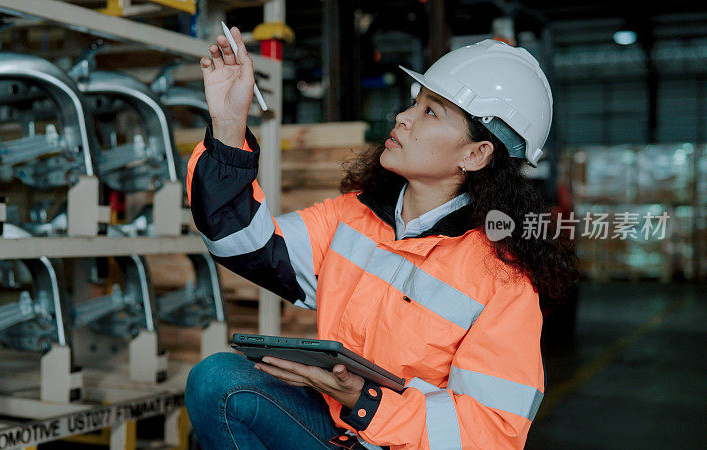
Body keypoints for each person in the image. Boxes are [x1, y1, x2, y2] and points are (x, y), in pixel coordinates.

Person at [184, 27, 578, 450]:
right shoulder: (355, 216)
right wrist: (228, 125)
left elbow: (492, 433)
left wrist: (364, 401)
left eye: (431, 112)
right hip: (339, 431)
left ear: (476, 154)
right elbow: (241, 239)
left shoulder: (503, 279)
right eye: (414, 103)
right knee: (219, 381)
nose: (402, 117)